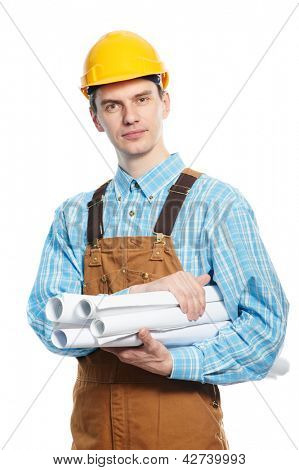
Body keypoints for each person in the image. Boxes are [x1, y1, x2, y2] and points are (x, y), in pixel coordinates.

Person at [27, 30, 289, 450]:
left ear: (164, 102)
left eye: (142, 99)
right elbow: (47, 320)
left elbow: (265, 329)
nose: (130, 117)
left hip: (184, 448)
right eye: (113, 105)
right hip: (94, 448)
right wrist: (138, 296)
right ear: (96, 117)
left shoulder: (217, 205)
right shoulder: (74, 216)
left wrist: (176, 362)